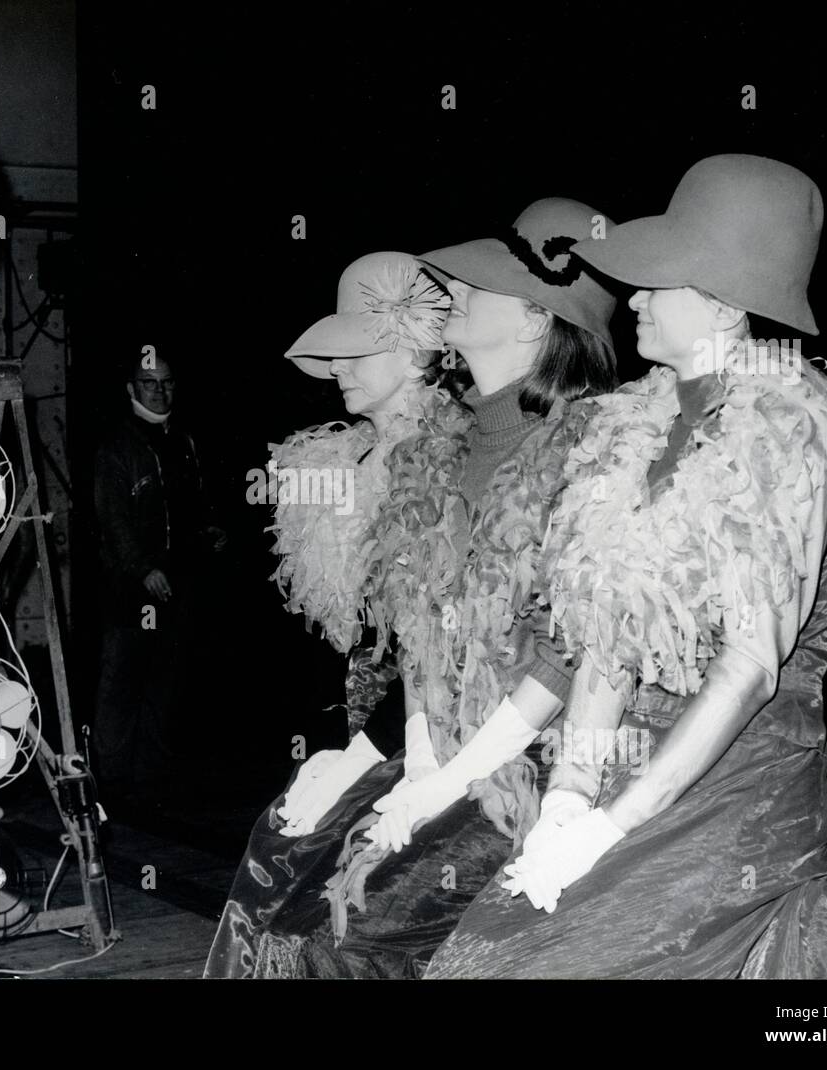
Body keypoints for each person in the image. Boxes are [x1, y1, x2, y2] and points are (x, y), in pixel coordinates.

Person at [429, 155, 827, 978]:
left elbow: (747, 669)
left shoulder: (793, 433)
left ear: (728, 306)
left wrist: (607, 826)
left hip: (739, 781)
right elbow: (606, 635)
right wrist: (568, 792)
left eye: (659, 281)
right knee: (480, 956)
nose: (632, 295)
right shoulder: (631, 422)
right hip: (631, 759)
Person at [207, 201, 619, 978]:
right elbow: (419, 638)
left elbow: (569, 657)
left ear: (536, 320)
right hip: (440, 747)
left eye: (483, 281)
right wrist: (420, 770)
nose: (455, 286)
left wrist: (430, 783)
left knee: (332, 933)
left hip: (532, 762)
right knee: (284, 901)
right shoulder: (437, 449)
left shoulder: (591, 447)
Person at [93, 352, 226, 801]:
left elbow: (192, 504)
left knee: (165, 682)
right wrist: (143, 569)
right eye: (149, 383)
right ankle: (109, 787)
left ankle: (150, 785)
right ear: (131, 389)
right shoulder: (117, 445)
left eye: (167, 382)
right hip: (132, 589)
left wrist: (211, 531)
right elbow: (113, 520)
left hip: (178, 585)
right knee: (121, 682)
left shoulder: (183, 440)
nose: (160, 391)